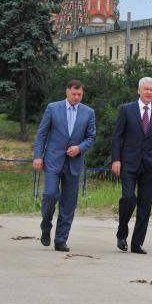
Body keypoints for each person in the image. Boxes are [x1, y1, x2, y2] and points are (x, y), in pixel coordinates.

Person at [33, 80, 96, 252]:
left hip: (74, 163)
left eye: (80, 95)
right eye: (74, 94)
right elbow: (41, 134)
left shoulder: (88, 112)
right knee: (50, 194)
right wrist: (38, 156)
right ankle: (46, 225)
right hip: (53, 160)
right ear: (67, 92)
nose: (77, 97)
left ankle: (61, 239)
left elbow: (91, 137)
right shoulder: (53, 108)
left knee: (68, 203)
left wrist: (79, 148)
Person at [111, 76, 152, 254]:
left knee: (145, 205)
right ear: (139, 91)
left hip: (150, 165)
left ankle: (137, 243)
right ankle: (122, 232)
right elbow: (117, 136)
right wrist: (116, 159)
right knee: (128, 198)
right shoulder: (126, 110)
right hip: (128, 163)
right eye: (146, 89)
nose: (149, 92)